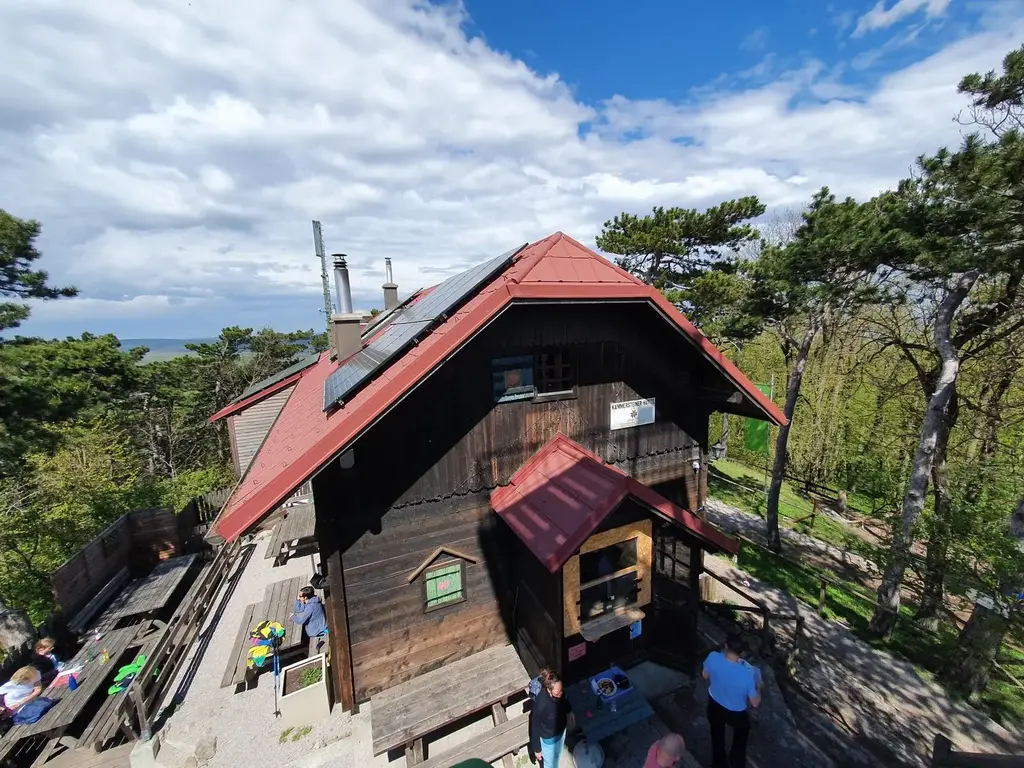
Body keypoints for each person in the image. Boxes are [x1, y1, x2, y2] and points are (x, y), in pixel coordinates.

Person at [702, 634, 761, 768]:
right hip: (736, 712)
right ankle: (736, 761)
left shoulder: (713, 657)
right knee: (742, 732)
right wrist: (759, 687)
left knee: (717, 735)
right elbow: (755, 703)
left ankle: (718, 764)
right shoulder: (747, 674)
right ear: (741, 653)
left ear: (726, 646)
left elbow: (705, 675)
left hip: (714, 704)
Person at [528, 669, 572, 768]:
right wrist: (537, 749)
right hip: (549, 739)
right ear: (548, 690)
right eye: (557, 692)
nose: (560, 694)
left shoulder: (561, 692)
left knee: (557, 754)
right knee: (549, 764)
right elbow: (534, 726)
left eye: (561, 690)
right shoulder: (541, 703)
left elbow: (565, 702)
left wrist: (570, 711)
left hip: (561, 732)